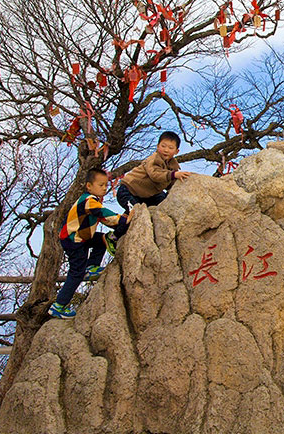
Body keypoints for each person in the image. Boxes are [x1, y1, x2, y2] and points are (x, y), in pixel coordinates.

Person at [49, 168, 136, 319]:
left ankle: (92, 267)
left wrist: (119, 221)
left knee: (102, 240)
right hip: (73, 240)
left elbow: (104, 219)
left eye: (105, 185)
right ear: (89, 186)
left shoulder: (94, 200)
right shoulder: (89, 201)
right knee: (76, 273)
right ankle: (59, 306)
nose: (104, 188)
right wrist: (123, 220)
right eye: (100, 185)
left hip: (82, 237)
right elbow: (104, 214)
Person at [113, 129, 192, 220]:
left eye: (170, 148)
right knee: (136, 212)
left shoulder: (172, 167)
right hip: (129, 190)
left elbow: (172, 184)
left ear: (176, 151)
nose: (166, 150)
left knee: (164, 202)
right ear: (158, 146)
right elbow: (155, 174)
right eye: (163, 146)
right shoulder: (154, 159)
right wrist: (174, 174)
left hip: (147, 195)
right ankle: (118, 231)